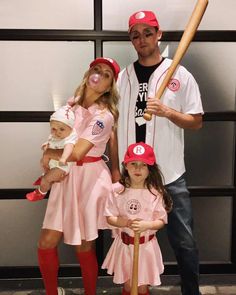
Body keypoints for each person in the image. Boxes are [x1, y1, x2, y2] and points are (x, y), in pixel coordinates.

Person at [110, 10, 204, 295]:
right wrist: (116, 170)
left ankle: (191, 291)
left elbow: (197, 121)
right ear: (131, 40)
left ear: (158, 34)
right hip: (132, 176)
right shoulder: (122, 78)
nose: (142, 40)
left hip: (169, 174)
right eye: (135, 35)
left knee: (184, 240)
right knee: (128, 236)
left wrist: (166, 111)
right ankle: (134, 288)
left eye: (147, 33)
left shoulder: (178, 74)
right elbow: (112, 127)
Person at [37, 57, 120, 295]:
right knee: (46, 242)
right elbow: (59, 138)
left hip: (89, 181)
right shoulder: (70, 107)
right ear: (88, 74)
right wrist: (50, 157)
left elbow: (79, 152)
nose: (99, 76)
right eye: (97, 70)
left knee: (84, 247)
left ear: (109, 86)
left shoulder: (104, 116)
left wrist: (47, 152)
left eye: (107, 75)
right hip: (66, 179)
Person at [102, 142, 172, 295]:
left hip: (146, 247)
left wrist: (147, 225)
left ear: (150, 169)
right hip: (124, 245)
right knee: (128, 285)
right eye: (133, 163)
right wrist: (126, 222)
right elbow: (110, 217)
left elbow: (161, 221)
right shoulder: (117, 190)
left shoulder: (155, 192)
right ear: (126, 166)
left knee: (141, 286)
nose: (138, 169)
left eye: (143, 165)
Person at [26, 105, 78, 201]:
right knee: (42, 162)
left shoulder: (69, 138)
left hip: (61, 166)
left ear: (70, 128)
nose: (57, 132)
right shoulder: (56, 135)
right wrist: (47, 144)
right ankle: (45, 176)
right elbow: (52, 141)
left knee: (47, 179)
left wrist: (63, 158)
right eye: (53, 129)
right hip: (53, 162)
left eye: (61, 129)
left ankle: (41, 192)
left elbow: (68, 148)